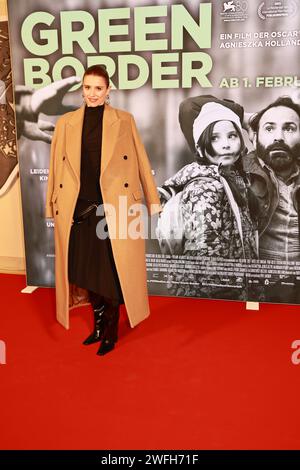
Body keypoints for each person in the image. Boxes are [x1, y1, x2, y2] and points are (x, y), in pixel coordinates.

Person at [45, 65, 161, 356]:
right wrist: (51, 205)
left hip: (114, 208)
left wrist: (153, 199)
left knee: (110, 272)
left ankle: (109, 331)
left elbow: (141, 160)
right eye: (87, 88)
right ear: (82, 89)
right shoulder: (67, 123)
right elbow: (55, 168)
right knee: (86, 272)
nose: (92, 94)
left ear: (109, 90)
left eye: (98, 88)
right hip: (79, 208)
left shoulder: (124, 120)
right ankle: (97, 327)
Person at [157, 98, 258, 299]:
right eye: (215, 138)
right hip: (219, 298)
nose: (226, 145)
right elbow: (206, 255)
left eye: (232, 136)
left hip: (231, 290)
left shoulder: (230, 178)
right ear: (201, 149)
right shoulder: (206, 188)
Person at [244, 96, 300, 302]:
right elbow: (190, 108)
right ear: (255, 135)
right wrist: (249, 119)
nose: (279, 137)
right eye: (269, 128)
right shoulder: (240, 172)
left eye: (289, 128)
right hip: (261, 290)